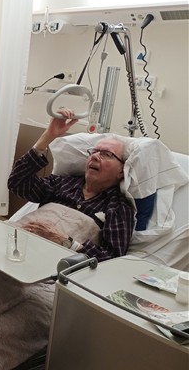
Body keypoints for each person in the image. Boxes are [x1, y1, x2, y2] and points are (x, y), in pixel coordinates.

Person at [7, 108, 134, 262]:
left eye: (106, 154)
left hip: (49, 263)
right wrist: (49, 135)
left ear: (121, 171)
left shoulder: (118, 207)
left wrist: (67, 242)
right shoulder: (62, 183)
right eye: (93, 152)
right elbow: (17, 183)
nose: (95, 157)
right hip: (14, 244)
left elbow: (111, 258)